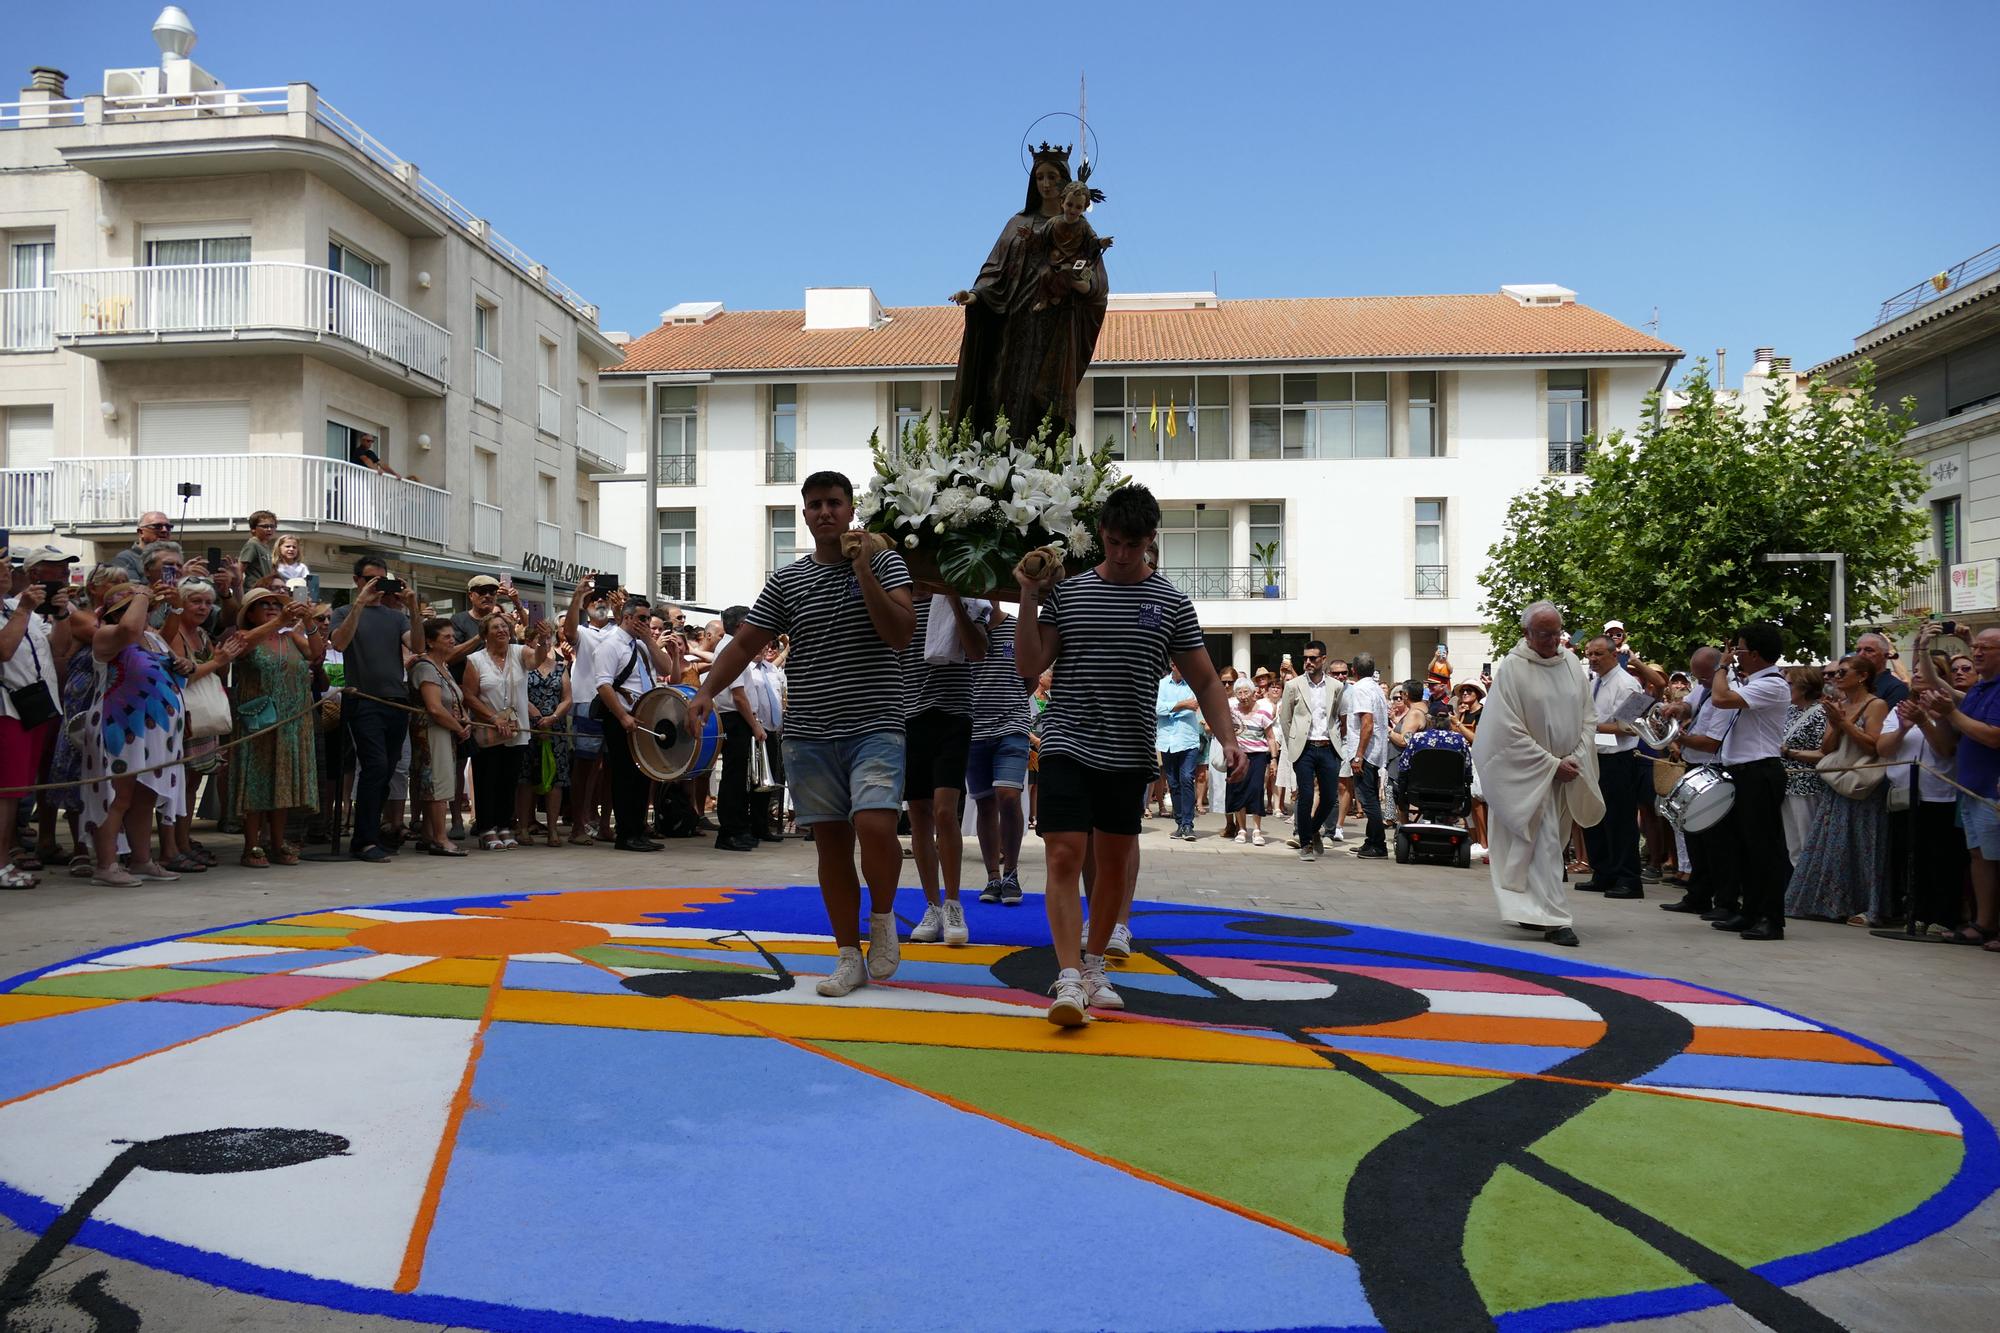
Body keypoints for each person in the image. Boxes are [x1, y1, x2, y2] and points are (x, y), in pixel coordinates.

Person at [1014, 483, 1243, 1027]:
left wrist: (1228, 737)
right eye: (1113, 542)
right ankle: (1068, 976)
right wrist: (1027, 596)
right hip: (1068, 740)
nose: (1121, 553)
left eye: (1132, 544)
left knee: (1113, 865)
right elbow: (1028, 666)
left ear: (1151, 540)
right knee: (1064, 854)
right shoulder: (1067, 596)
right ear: (1100, 536)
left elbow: (1207, 680)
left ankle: (1094, 966)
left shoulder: (1169, 602)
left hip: (1130, 748)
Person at [687, 470, 916, 998]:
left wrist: (864, 574)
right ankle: (846, 955)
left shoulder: (885, 562)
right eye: (814, 505)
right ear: (805, 513)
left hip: (876, 723)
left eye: (834, 503)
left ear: (850, 508)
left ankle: (882, 919)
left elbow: (901, 633)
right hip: (810, 730)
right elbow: (744, 644)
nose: (824, 513)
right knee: (831, 846)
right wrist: (704, 691)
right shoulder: (788, 581)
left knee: (877, 824)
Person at [948, 141, 1108, 441]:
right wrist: (976, 295)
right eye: (1040, 177)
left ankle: (1040, 469)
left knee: (1041, 401)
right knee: (1002, 390)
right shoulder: (1017, 223)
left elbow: (1095, 280)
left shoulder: (1081, 229)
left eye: (1052, 177)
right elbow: (994, 270)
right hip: (1013, 322)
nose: (1046, 183)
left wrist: (1080, 283)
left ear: (1065, 181)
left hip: (1055, 327)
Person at [1469, 601, 1604, 947]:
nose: (1552, 640)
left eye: (1556, 633)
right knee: (1540, 845)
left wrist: (1575, 756)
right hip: (1531, 775)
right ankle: (1557, 920)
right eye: (1544, 634)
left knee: (1551, 845)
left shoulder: (1572, 663)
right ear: (1527, 633)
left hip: (1567, 769)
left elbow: (1588, 716)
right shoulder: (1513, 669)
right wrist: (1549, 764)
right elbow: (1505, 730)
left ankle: (1531, 909)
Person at [79, 583, 188, 887]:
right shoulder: (106, 635)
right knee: (118, 795)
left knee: (145, 796)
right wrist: (141, 592)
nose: (147, 612)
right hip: (120, 726)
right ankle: (106, 863)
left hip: (154, 733)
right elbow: (127, 630)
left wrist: (184, 664)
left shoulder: (153, 638)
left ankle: (141, 859)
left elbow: (169, 671)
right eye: (140, 607)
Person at [902, 593, 989, 941]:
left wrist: (953, 600)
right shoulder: (899, 598)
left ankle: (953, 903)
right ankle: (931, 904)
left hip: (953, 713)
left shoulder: (968, 597)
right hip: (909, 714)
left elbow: (978, 651)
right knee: (918, 812)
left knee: (943, 811)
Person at [1701, 622, 1796, 941]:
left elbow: (1720, 698)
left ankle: (1772, 918)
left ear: (1754, 654)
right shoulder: (1755, 682)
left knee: (1765, 849)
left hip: (1760, 770)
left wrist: (1722, 666)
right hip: (1744, 771)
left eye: (1739, 649)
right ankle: (1751, 911)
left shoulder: (1773, 684)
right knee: (1745, 848)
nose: (1735, 654)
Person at [1782, 655, 1888, 924]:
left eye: (1842, 673)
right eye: (1835, 673)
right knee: (1833, 847)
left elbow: (1873, 746)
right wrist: (1836, 724)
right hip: (1836, 782)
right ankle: (1832, 903)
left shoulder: (1876, 705)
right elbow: (1827, 748)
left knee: (1862, 847)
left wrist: (1845, 724)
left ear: (1862, 676)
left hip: (1861, 783)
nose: (1836, 677)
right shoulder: (1838, 705)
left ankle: (1865, 906)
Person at [328, 555, 420, 862]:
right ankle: (363, 840)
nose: (377, 586)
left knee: (388, 769)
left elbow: (419, 647)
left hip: (396, 702)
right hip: (363, 700)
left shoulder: (396, 617)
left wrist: (413, 607)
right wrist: (360, 604)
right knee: (375, 765)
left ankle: (370, 833)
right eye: (370, 580)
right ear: (357, 581)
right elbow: (339, 644)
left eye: (382, 580)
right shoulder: (342, 611)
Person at [1916, 625, 2000, 950]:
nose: (1976, 653)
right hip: (1973, 789)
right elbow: (1935, 683)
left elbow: (1993, 736)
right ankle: (1984, 923)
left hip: (1992, 793)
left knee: (1995, 859)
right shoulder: (1980, 690)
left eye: (1984, 649)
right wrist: (1923, 648)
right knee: (1979, 858)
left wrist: (1952, 714)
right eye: (1974, 647)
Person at [227, 587, 323, 868]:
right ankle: (251, 845)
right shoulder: (244, 637)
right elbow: (242, 646)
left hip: (291, 720)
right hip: (258, 720)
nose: (271, 607)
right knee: (257, 783)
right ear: (251, 613)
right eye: (263, 604)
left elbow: (316, 654)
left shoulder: (290, 636)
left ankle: (277, 841)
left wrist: (308, 622)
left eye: (274, 603)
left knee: (281, 784)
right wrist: (280, 620)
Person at [1, 546, 80, 888]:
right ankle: (1, 862)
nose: (5, 569)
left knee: (16, 790)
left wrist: (61, 616)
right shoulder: (18, 609)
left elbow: (59, 648)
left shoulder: (14, 609)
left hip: (32, 709)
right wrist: (24, 609)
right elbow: (4, 651)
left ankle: (5, 858)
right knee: (6, 792)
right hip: (6, 709)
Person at [592, 592, 681, 852]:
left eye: (648, 618)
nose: (645, 622)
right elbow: (603, 684)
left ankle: (638, 829)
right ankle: (626, 833)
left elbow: (664, 669)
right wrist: (622, 716)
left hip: (644, 716)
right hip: (622, 716)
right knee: (625, 777)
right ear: (627, 617)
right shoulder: (610, 645)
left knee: (643, 775)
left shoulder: (641, 645)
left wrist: (649, 641)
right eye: (641, 618)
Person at [971, 604, 1034, 905]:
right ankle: (992, 876)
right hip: (973, 728)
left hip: (1012, 724)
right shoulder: (964, 627)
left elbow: (1031, 678)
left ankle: (1011, 872)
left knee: (1008, 796)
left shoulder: (1017, 625)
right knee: (984, 804)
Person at [1578, 635, 1646, 898]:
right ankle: (1603, 872)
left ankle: (1628, 878)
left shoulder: (1630, 685)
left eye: (1598, 654)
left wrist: (1586, 728)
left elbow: (1627, 727)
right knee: (1594, 817)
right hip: (1594, 758)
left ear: (1614, 654)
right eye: (1589, 654)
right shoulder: (1595, 683)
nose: (1593, 659)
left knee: (1620, 821)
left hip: (1618, 760)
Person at [464, 611, 531, 850]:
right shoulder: (475, 660)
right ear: (485, 634)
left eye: (505, 626)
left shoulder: (519, 652)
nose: (502, 631)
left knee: (509, 780)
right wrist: (492, 718)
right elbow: (469, 696)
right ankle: (487, 829)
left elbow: (537, 660)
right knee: (487, 780)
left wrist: (543, 642)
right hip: (488, 730)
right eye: (495, 627)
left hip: (516, 729)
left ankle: (505, 826)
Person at [1278, 639, 1346, 861]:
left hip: (1328, 747)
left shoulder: (1336, 686)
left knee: (1328, 797)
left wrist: (1338, 743)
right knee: (1305, 795)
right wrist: (1293, 744)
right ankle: (1305, 843)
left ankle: (1313, 829)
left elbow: (1339, 717)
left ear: (1323, 660)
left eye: (1313, 658)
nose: (1308, 662)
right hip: (1304, 748)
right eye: (1305, 658)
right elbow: (1285, 718)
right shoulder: (1293, 685)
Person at [409, 617, 471, 856]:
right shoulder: (426, 667)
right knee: (437, 784)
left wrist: (462, 718)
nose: (452, 640)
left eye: (452, 636)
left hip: (445, 731)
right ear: (431, 642)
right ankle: (440, 838)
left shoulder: (442, 666)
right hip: (431, 732)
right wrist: (458, 727)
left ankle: (428, 835)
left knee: (440, 782)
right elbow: (434, 707)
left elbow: (453, 700)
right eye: (446, 637)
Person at [711, 604, 764, 852]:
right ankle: (730, 831)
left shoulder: (731, 646)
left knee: (739, 777)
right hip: (734, 718)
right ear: (742, 626)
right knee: (734, 777)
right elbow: (739, 695)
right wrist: (754, 725)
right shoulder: (732, 648)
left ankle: (738, 828)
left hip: (737, 718)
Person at [519, 620, 573, 848]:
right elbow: (518, 693)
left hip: (555, 729)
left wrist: (552, 718)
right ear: (529, 641)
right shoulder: (522, 666)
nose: (545, 641)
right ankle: (523, 827)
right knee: (526, 778)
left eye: (549, 636)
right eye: (540, 637)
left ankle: (552, 829)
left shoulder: (560, 667)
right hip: (529, 727)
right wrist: (537, 717)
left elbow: (567, 698)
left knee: (556, 780)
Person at [1777, 666, 1830, 863]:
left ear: (1805, 686)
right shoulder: (1789, 711)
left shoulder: (1821, 713)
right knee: (1793, 845)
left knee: (1808, 841)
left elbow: (1823, 753)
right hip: (1787, 783)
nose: (1785, 687)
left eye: (1790, 683)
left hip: (1806, 784)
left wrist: (1789, 752)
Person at [1346, 652, 1391, 859]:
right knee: (1370, 796)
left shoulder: (1361, 689)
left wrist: (1359, 756)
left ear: (1353, 670)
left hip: (1367, 753)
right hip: (1376, 751)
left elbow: (1367, 723)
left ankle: (1379, 844)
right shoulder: (1375, 687)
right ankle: (1370, 840)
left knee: (1368, 799)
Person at [1155, 661, 1202, 841]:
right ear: (1172, 665)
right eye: (1177, 665)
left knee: (1186, 779)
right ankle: (1180, 822)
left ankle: (1188, 824)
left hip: (1187, 740)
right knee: (1173, 783)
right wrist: (1183, 704)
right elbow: (1157, 709)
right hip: (1167, 740)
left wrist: (1170, 708)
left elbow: (1194, 706)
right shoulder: (1161, 684)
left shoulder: (1193, 683)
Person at [1227, 678, 1276, 846]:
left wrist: (1274, 759)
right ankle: (1242, 829)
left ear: (1253, 692)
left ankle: (1257, 830)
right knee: (1238, 790)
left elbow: (1270, 737)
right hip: (1237, 756)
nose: (1242, 696)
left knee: (1256, 790)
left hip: (1258, 756)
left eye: (1245, 692)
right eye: (1239, 693)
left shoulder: (1263, 712)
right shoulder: (1232, 711)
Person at [110, 512, 174, 583]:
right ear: (141, 532)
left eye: (168, 527)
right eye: (157, 526)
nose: (164, 530)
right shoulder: (125, 559)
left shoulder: (173, 559)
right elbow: (132, 590)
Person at [1855, 631, 1910, 706]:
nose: (1861, 654)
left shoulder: (1896, 687)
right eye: (1858, 650)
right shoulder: (1853, 683)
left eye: (1869, 650)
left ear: (1886, 656)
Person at [237, 510, 279, 585]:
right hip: (254, 589)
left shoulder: (266, 547)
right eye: (265, 526)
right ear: (253, 529)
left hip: (266, 589)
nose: (269, 529)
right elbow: (240, 570)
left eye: (272, 526)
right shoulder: (252, 544)